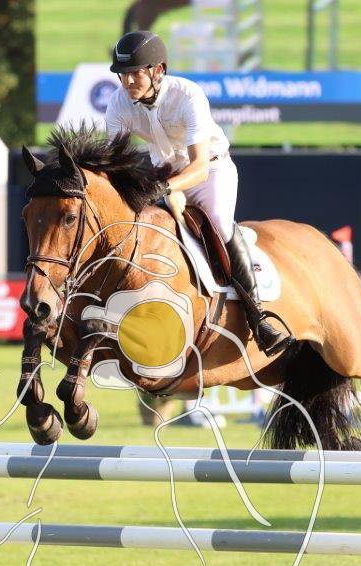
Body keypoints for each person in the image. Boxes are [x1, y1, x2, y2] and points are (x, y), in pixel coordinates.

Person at [104, 30, 293, 355]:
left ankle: (259, 319)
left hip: (210, 171)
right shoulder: (119, 103)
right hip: (165, 174)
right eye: (123, 74)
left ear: (158, 70)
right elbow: (113, 164)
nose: (128, 81)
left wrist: (163, 187)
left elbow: (199, 167)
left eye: (135, 72)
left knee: (218, 222)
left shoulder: (188, 95)